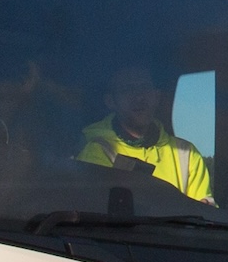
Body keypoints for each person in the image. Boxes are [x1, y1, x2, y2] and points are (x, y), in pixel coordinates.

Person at [78, 63, 212, 204]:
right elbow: (98, 212)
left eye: (144, 88)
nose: (139, 97)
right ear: (111, 101)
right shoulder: (97, 150)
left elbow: (204, 215)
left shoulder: (187, 154)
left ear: (156, 97)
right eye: (128, 89)